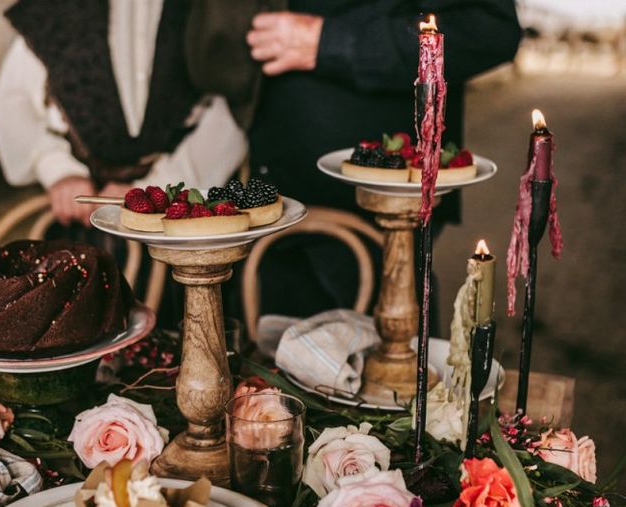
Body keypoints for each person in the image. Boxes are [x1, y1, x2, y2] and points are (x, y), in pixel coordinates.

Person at [188, 1, 522, 325]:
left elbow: (489, 30)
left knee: (386, 369)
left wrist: (330, 41)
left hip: (378, 213)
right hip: (272, 202)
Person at [0, 0, 247, 321]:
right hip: (82, 214)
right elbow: (13, 102)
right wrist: (57, 169)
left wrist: (156, 187)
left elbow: (234, 106)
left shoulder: (207, 9)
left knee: (183, 329)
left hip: (181, 222)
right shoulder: (54, 10)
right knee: (75, 322)